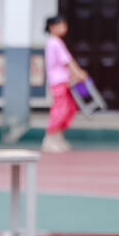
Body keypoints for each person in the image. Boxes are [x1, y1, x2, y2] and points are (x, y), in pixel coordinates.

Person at [42, 15, 88, 152]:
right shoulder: (54, 42)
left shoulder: (56, 42)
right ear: (52, 27)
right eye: (60, 25)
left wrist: (74, 75)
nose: (64, 28)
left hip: (64, 81)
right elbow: (67, 61)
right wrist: (78, 72)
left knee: (69, 108)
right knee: (60, 109)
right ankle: (50, 138)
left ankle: (58, 136)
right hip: (58, 82)